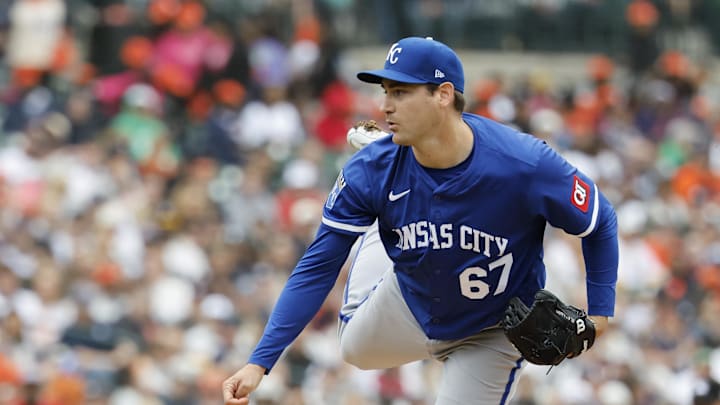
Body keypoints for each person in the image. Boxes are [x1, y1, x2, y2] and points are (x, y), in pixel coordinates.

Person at [222, 36, 619, 404]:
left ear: (443, 94)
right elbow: (317, 267)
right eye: (386, 92)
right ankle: (380, 222)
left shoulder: (524, 164)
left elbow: (600, 222)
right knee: (353, 349)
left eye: (401, 92)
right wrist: (260, 361)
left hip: (492, 329)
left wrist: (600, 316)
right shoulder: (371, 170)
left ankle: (385, 214)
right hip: (411, 303)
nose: (385, 105)